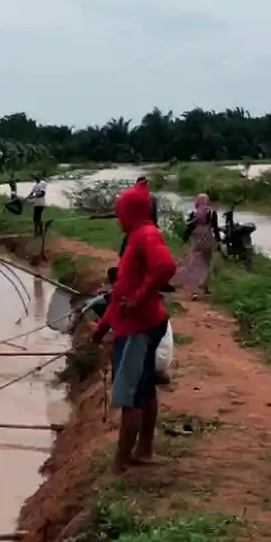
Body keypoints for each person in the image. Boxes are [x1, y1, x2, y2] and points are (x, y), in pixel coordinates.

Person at [91, 183, 177, 474]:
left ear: (130, 212)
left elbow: (165, 267)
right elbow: (119, 294)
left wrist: (138, 300)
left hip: (138, 329)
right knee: (144, 389)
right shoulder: (136, 236)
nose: (118, 218)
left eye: (120, 212)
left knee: (130, 397)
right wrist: (102, 328)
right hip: (140, 323)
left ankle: (120, 463)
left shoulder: (146, 234)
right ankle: (144, 449)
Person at [177, 193, 220, 298]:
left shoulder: (194, 214)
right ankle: (205, 287)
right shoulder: (212, 213)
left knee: (194, 265)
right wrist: (218, 241)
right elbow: (215, 228)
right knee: (207, 264)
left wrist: (184, 239)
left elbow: (189, 228)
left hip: (196, 242)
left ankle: (194, 290)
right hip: (208, 241)